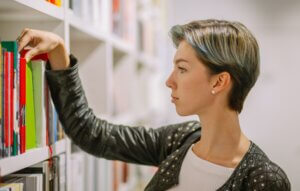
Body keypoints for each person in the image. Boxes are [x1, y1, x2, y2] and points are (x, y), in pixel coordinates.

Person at [17, 19, 290, 191]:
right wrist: (58, 53)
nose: (169, 81)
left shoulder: (264, 179)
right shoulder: (181, 139)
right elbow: (92, 133)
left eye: (182, 69)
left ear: (219, 82)